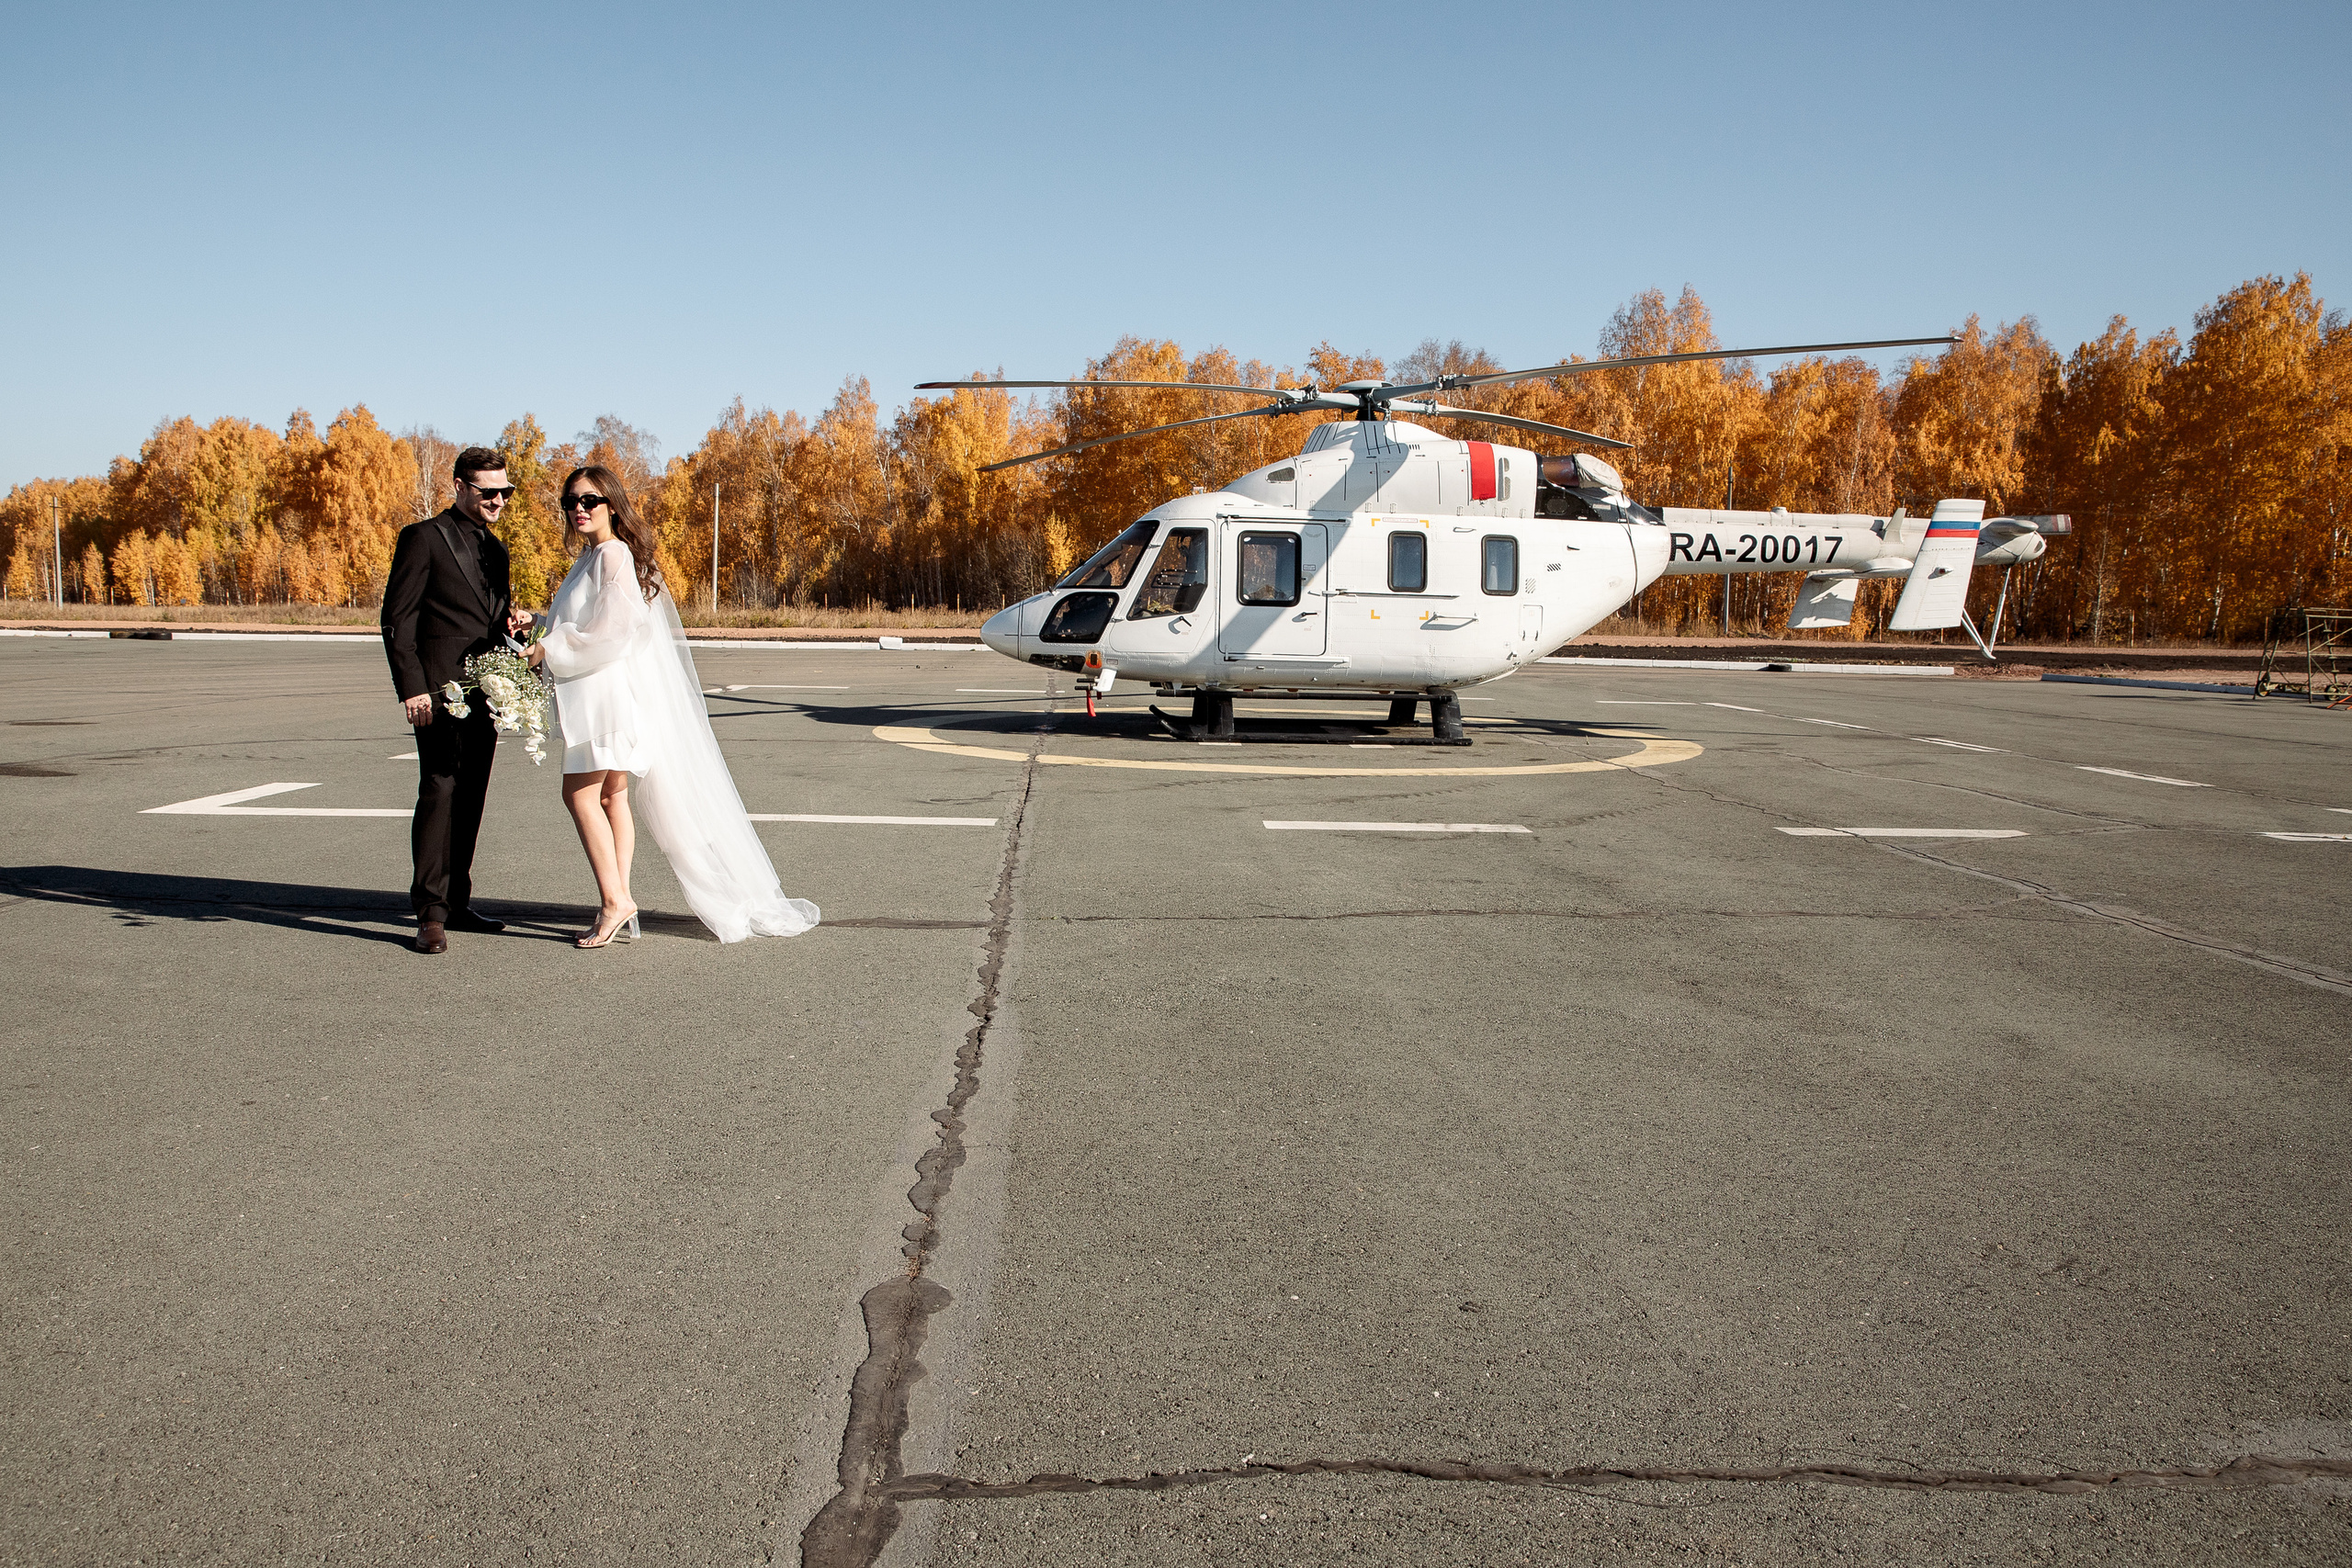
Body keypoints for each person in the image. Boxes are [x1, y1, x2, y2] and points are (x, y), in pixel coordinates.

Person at [526, 465, 820, 948]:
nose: (579, 509)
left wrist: (548, 650)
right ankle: (618, 903)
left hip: (604, 700)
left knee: (579, 796)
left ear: (612, 506)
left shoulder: (612, 555)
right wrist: (539, 622)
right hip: (603, 696)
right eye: (571, 502)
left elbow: (615, 630)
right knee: (610, 797)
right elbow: (588, 619)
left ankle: (616, 901)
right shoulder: (594, 556)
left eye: (589, 501)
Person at [381, 446, 533, 954]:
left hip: (488, 692)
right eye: (487, 491)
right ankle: (429, 912)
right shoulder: (423, 538)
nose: (498, 500)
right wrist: (413, 687)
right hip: (439, 692)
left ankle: (458, 900)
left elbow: (488, 616)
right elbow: (398, 620)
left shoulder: (499, 550)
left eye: (504, 492)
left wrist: (510, 622)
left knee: (471, 796)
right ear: (459, 486)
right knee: (440, 791)